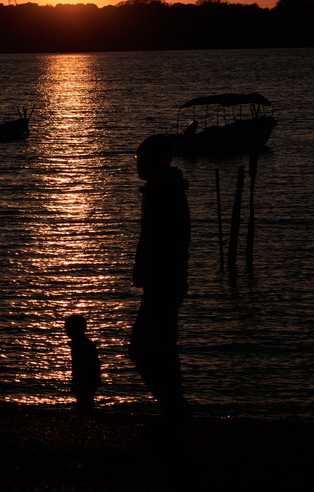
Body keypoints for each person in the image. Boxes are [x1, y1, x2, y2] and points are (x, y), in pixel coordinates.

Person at [129, 133, 192, 422]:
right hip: (164, 280)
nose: (137, 165)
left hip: (162, 281)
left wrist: (145, 269)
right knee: (161, 345)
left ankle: (173, 405)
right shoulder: (165, 189)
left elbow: (160, 238)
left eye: (140, 159)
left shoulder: (163, 192)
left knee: (144, 347)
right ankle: (173, 405)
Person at [64, 314, 101, 413]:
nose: (66, 330)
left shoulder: (81, 345)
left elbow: (82, 366)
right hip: (89, 380)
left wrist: (76, 381)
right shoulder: (84, 344)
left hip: (86, 380)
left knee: (84, 404)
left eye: (67, 327)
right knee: (85, 403)